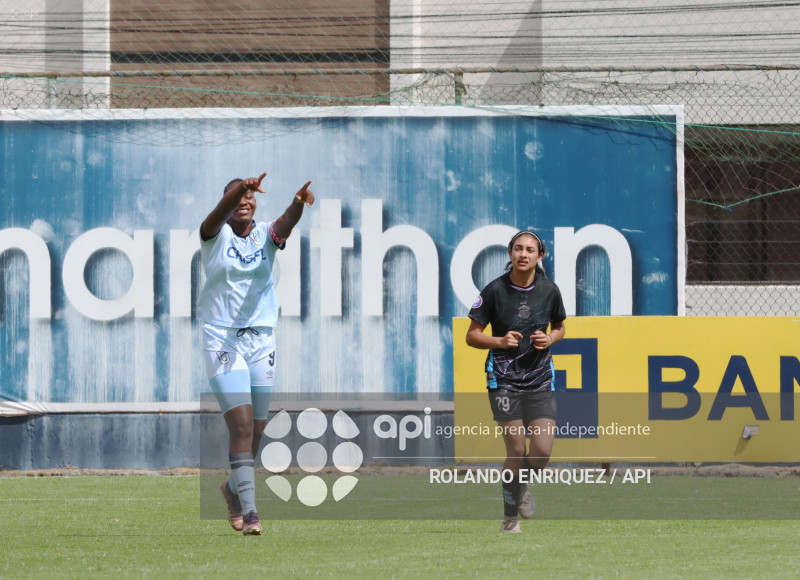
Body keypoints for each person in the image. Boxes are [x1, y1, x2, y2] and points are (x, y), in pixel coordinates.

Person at [197, 172, 315, 535]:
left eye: (251, 197)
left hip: (262, 340)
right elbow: (218, 212)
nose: (246, 202)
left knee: (258, 432)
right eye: (239, 198)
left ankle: (232, 489)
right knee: (242, 424)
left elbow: (285, 225)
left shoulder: (266, 235)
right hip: (223, 340)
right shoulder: (214, 235)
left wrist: (297, 204)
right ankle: (250, 513)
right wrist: (238, 189)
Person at [465, 230, 566, 533]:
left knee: (543, 450)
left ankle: (522, 484)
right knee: (516, 449)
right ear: (510, 254)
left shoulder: (550, 290)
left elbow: (560, 328)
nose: (524, 254)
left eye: (530, 250)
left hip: (539, 378)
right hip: (504, 380)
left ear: (540, 255)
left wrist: (549, 338)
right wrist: (499, 340)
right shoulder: (495, 290)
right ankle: (510, 519)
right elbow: (471, 336)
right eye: (518, 249)